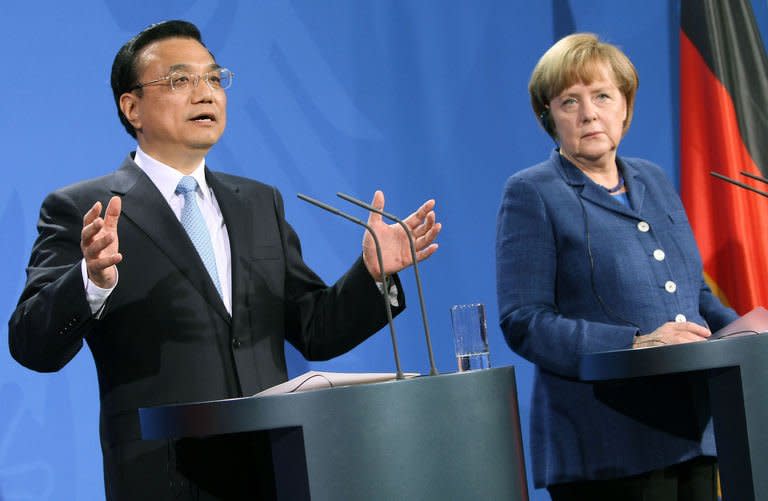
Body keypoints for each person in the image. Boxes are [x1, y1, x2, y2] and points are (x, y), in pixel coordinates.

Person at [8, 20, 440, 500]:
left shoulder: (258, 203)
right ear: (131, 107)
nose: (205, 93)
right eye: (180, 81)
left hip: (276, 469)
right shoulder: (83, 209)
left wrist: (372, 276)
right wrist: (90, 280)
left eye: (214, 78)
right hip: (166, 476)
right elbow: (32, 344)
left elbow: (315, 329)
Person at [495, 33, 737, 500]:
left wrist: (746, 336)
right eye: (570, 101)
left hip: (693, 434)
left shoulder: (653, 179)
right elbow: (523, 321)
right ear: (549, 117)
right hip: (605, 446)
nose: (589, 113)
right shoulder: (533, 193)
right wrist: (634, 343)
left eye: (602, 95)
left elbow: (694, 296)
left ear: (624, 105)